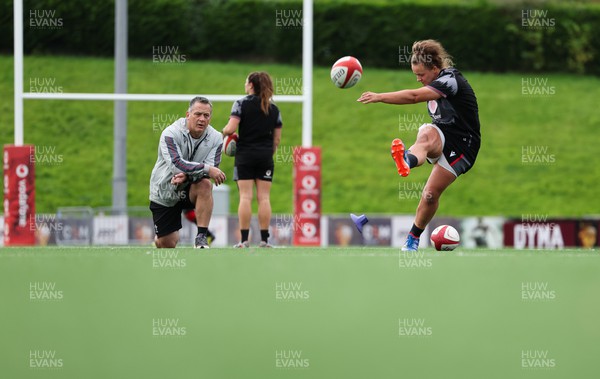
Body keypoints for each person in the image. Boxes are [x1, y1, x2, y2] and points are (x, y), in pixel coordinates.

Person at [357, 39, 481, 251]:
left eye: (421, 75)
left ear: (435, 68)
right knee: (425, 134)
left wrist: (379, 97)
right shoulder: (433, 80)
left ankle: (413, 237)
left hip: (463, 145)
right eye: (415, 75)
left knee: (430, 194)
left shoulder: (450, 80)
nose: (418, 79)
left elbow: (414, 96)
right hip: (441, 133)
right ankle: (407, 159)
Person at [149, 96, 226, 248]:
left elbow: (210, 170)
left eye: (206, 115)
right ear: (188, 115)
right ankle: (159, 239)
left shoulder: (216, 138)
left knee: (205, 184)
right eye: (197, 114)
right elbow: (176, 164)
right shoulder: (170, 133)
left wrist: (188, 176)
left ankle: (202, 237)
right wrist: (206, 169)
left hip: (191, 188)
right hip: (166, 190)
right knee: (168, 243)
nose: (202, 119)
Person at [222, 72, 283, 248]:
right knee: (264, 198)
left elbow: (231, 128)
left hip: (245, 156)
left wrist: (224, 131)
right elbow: (277, 140)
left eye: (246, 82)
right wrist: (267, 153)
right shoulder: (274, 109)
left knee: (246, 197)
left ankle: (244, 240)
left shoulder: (241, 104)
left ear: (251, 85)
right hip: (265, 157)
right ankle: (264, 240)